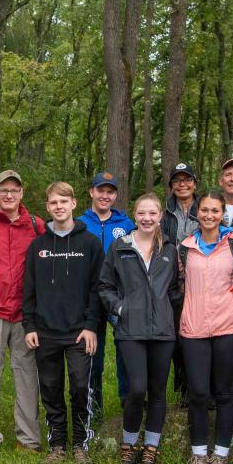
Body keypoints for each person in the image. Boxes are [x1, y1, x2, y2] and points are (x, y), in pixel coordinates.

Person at [98, 193, 180, 464]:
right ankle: (128, 445)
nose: (147, 218)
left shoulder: (170, 248)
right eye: (142, 213)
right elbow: (105, 285)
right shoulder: (120, 247)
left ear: (160, 217)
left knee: (157, 392)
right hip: (130, 330)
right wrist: (121, 308)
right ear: (135, 216)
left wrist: (170, 314)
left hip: (162, 331)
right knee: (136, 389)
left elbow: (177, 288)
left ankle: (150, 450)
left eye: (153, 214)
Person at [23, 182, 103, 464]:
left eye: (63, 201)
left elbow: (97, 288)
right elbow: (28, 289)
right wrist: (29, 325)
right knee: (51, 388)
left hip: (79, 331)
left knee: (81, 387)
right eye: (53, 202)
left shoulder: (90, 243)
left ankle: (81, 444)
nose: (59, 206)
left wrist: (91, 325)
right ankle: (57, 444)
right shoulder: (38, 246)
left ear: (73, 204)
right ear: (47, 207)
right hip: (45, 332)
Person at [0, 169, 45, 454]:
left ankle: (28, 438)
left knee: (26, 375)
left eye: (14, 190)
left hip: (24, 315)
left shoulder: (36, 225)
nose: (9, 194)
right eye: (4, 189)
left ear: (22, 193)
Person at [178, 191, 233, 464]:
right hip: (193, 328)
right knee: (197, 394)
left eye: (215, 211)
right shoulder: (185, 246)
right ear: (197, 213)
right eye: (204, 210)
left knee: (225, 393)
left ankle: (219, 457)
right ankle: (198, 456)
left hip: (228, 327)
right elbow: (180, 283)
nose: (209, 215)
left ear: (222, 214)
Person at [78, 172, 136, 423]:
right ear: (91, 192)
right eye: (100, 190)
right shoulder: (79, 223)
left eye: (110, 191)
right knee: (93, 353)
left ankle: (128, 401)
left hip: (117, 295)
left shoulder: (127, 225)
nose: (105, 195)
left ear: (115, 195)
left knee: (126, 347)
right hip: (88, 297)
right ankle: (94, 408)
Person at [165, 163, 199, 406]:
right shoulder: (165, 212)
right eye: (177, 180)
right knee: (177, 337)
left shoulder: (205, 208)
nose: (182, 184)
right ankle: (183, 387)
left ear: (194, 183)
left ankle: (201, 388)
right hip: (172, 282)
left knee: (198, 337)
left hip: (201, 281)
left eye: (187, 179)